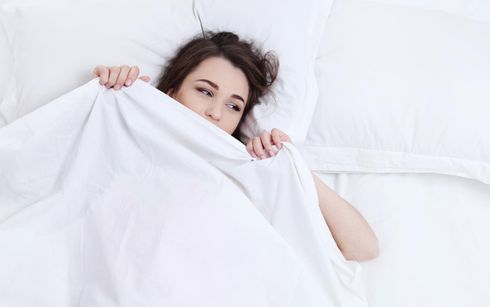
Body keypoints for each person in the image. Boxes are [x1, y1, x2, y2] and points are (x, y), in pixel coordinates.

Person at [92, 30, 379, 261]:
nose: (215, 113)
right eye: (205, 91)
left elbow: (363, 248)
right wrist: (113, 101)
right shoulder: (132, 133)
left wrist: (294, 166)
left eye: (233, 105)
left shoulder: (246, 171)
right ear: (171, 92)